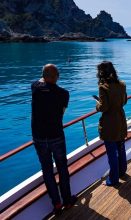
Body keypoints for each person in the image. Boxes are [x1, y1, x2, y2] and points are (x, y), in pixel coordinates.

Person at [31, 64, 76, 215]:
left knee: (47, 170)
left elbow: (40, 80)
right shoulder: (64, 94)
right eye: (58, 74)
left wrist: (45, 76)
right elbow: (61, 113)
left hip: (39, 138)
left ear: (44, 76)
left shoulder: (35, 88)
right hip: (56, 136)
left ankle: (56, 204)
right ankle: (67, 200)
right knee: (62, 168)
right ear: (55, 76)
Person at [96, 61, 128, 186]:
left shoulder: (103, 87)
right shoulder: (122, 84)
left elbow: (104, 107)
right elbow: (124, 101)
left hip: (109, 124)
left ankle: (113, 180)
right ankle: (122, 171)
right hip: (120, 120)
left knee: (111, 153)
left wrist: (97, 104)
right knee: (121, 148)